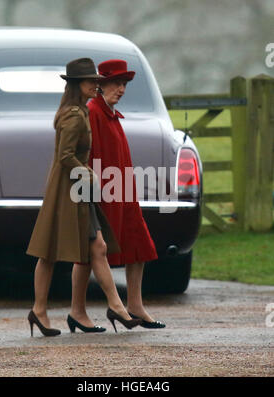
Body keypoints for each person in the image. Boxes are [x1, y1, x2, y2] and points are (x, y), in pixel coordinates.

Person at [26, 58, 141, 336]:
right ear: (78, 84)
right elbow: (65, 157)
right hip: (68, 191)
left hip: (78, 188)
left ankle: (115, 306)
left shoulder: (79, 111)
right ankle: (40, 311)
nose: (97, 85)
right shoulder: (74, 114)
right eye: (92, 82)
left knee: (96, 246)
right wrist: (89, 173)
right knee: (48, 252)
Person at [72, 59, 165, 329]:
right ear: (100, 84)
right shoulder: (92, 112)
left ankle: (135, 305)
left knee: (139, 244)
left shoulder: (112, 114)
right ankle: (77, 311)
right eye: (116, 83)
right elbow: (83, 155)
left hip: (124, 193)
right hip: (101, 194)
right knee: (90, 251)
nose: (121, 89)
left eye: (124, 84)